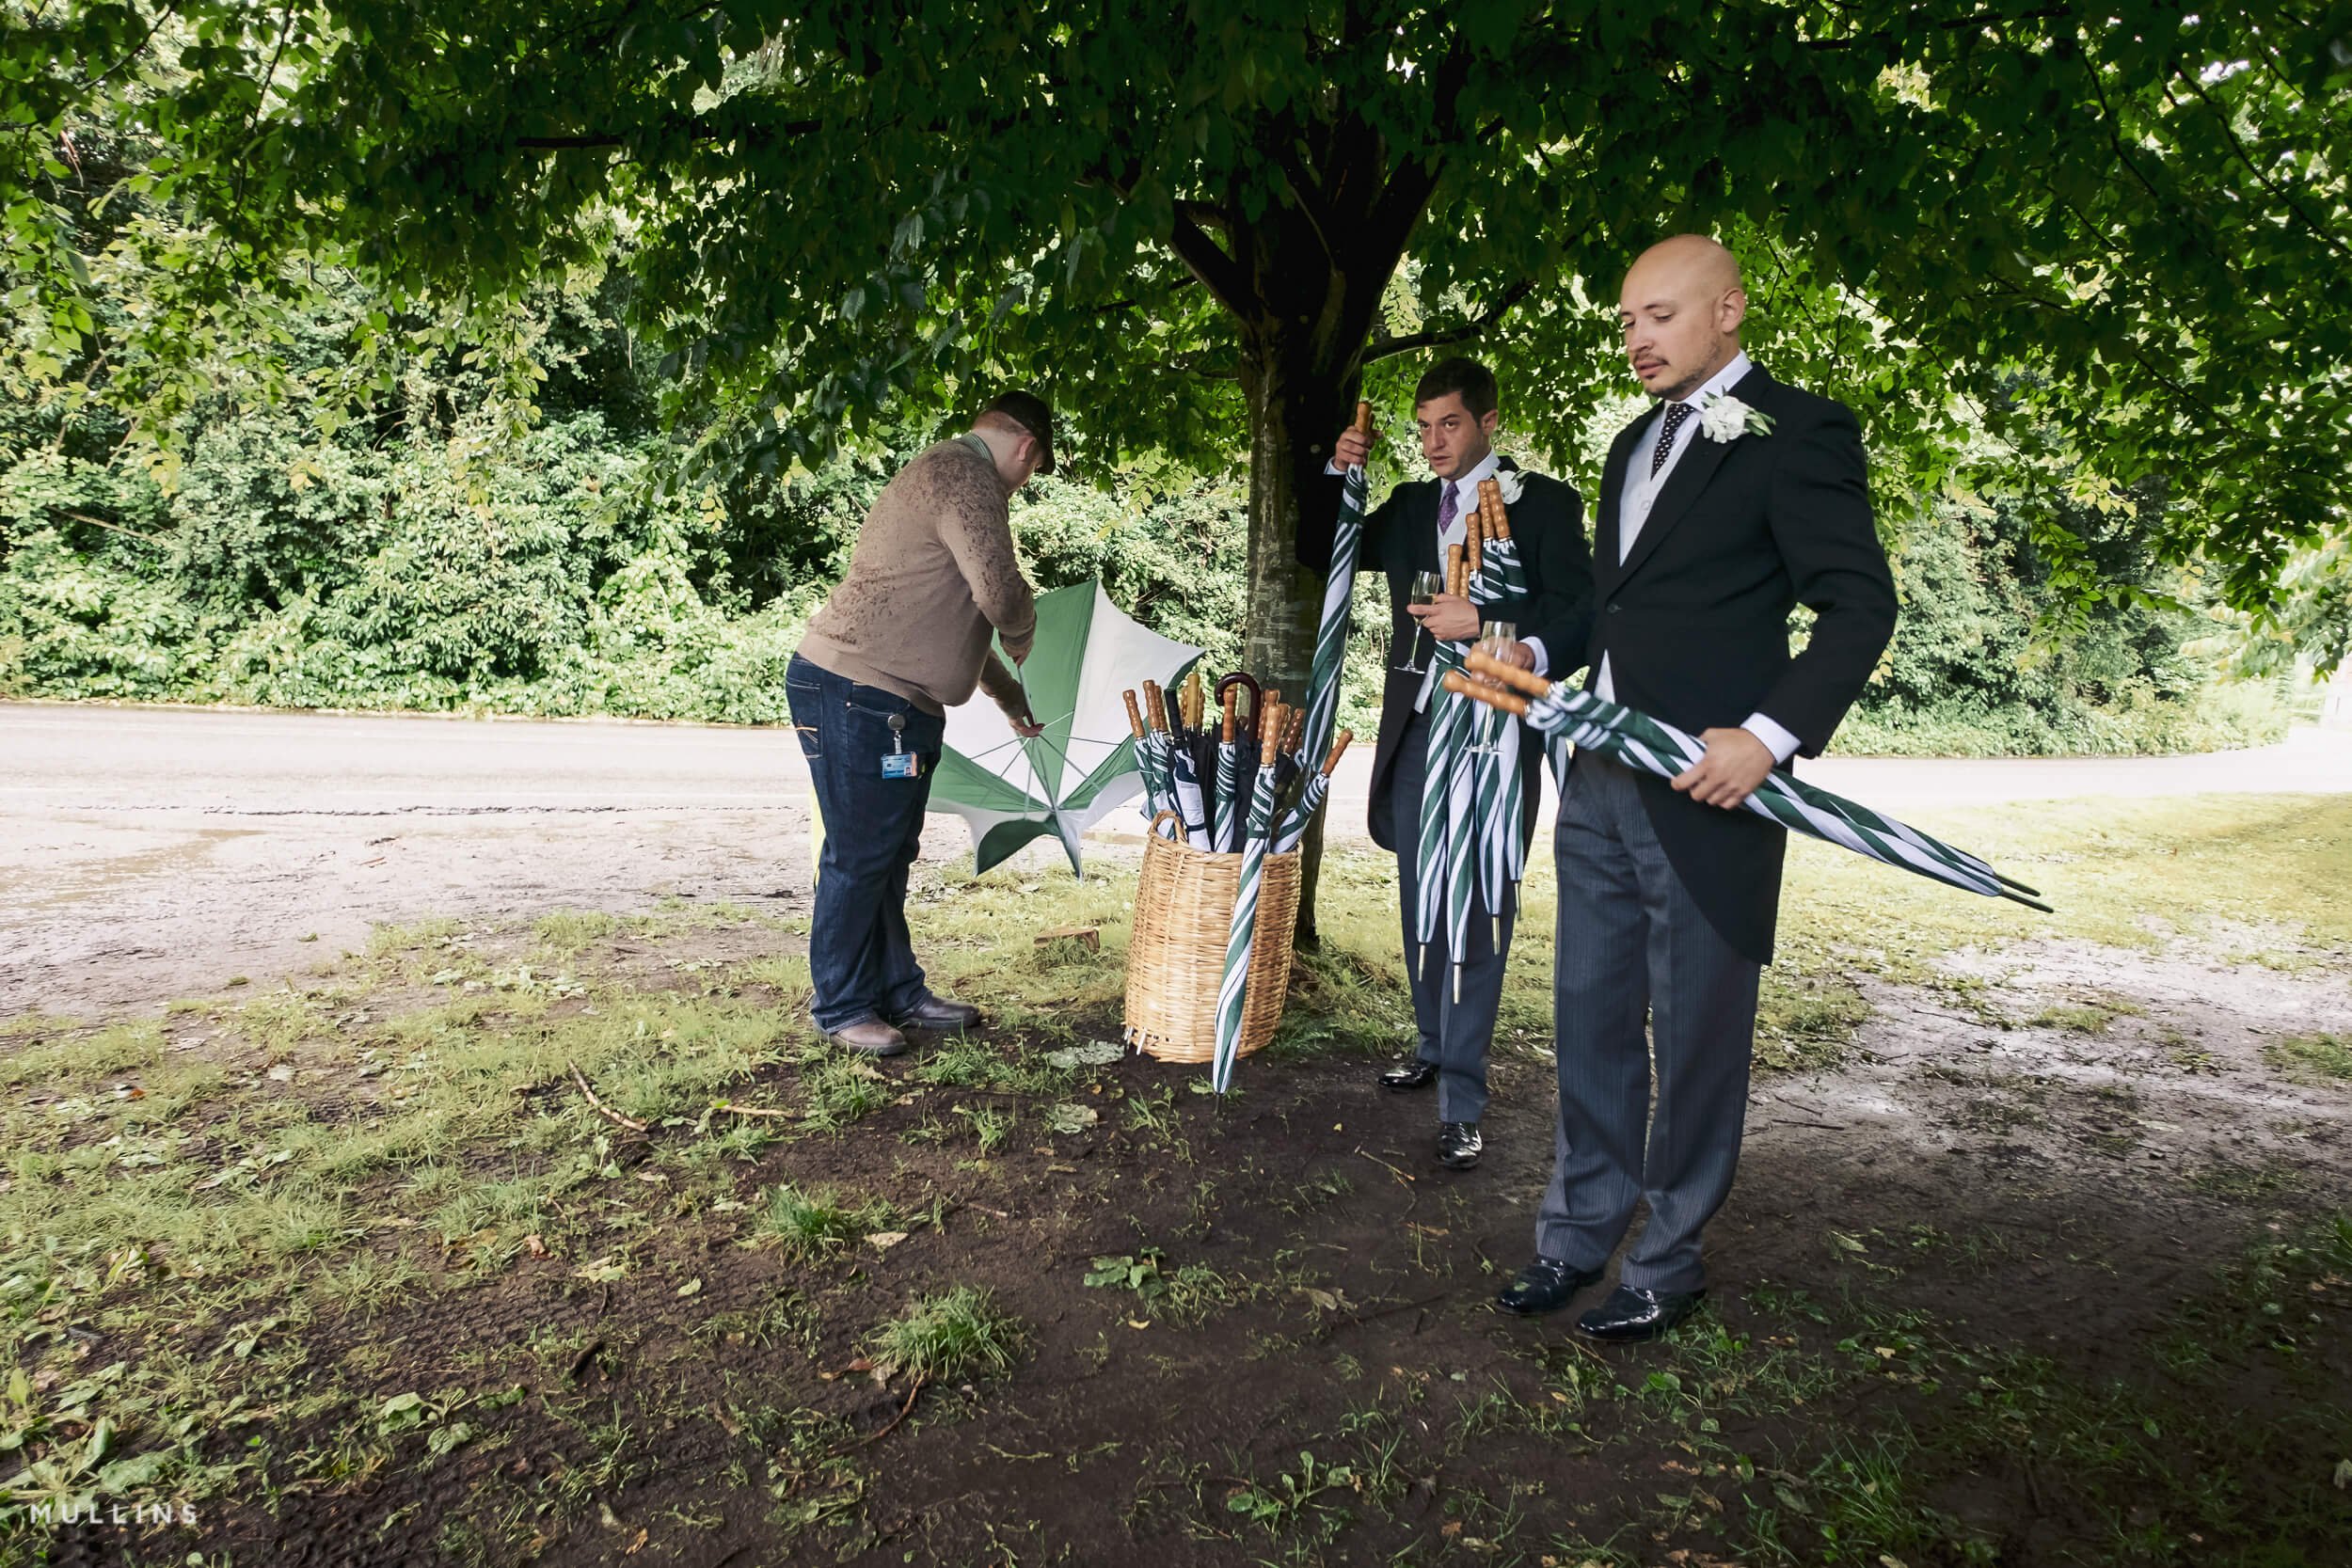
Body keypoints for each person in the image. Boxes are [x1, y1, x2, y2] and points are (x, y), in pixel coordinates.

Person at [1494, 236, 1898, 1338]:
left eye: (1659, 316)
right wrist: (1534, 648)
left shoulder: (1798, 430)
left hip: (1707, 790)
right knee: (1588, 1016)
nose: (1636, 338)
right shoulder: (1630, 445)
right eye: (1626, 321)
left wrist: (1767, 737)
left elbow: (1858, 605)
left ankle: (1669, 1257)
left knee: (1698, 1028)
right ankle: (1577, 1235)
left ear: (1728, 311)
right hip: (1596, 776)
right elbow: (1611, 614)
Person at [1298, 356, 1593, 1171]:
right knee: (1422, 894)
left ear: (1489, 423)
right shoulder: (1408, 508)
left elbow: (1583, 616)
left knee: (1474, 909)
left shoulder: (1544, 506)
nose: (1432, 442)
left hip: (1495, 736)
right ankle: (1432, 1043)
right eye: (1423, 427)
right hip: (1420, 728)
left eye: (1449, 424)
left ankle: (1464, 1096)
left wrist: (1487, 616)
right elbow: (1314, 548)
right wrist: (1338, 472)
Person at [786, 392, 1055, 1056]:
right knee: (860, 854)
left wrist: (1006, 694)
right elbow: (997, 591)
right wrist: (1025, 629)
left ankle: (897, 989)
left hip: (883, 700)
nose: (1024, 485)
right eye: (1035, 469)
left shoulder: (944, 474)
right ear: (1027, 448)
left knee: (886, 854)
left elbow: (951, 614)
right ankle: (842, 1006)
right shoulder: (968, 479)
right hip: (861, 693)